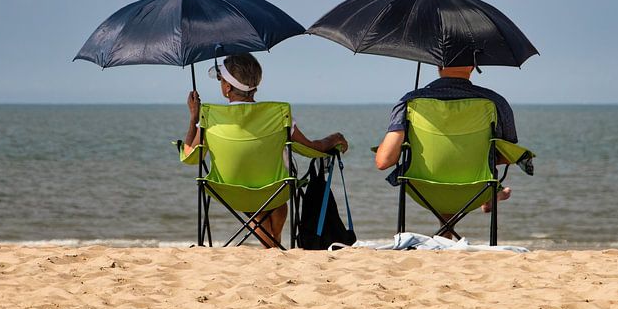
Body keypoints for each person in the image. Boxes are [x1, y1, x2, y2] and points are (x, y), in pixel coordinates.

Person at [183, 53, 348, 248]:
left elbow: (190, 157)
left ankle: (271, 247)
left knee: (255, 202)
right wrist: (334, 138)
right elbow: (310, 148)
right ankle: (273, 246)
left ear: (227, 88)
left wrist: (194, 118)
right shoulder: (277, 115)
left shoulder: (210, 118)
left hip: (227, 192)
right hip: (276, 189)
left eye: (221, 80)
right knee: (274, 196)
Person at [375, 65, 515, 221]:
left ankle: (446, 229)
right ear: (473, 67)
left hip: (422, 189)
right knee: (462, 165)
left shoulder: (410, 102)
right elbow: (508, 156)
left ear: (438, 65)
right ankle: (493, 195)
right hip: (477, 190)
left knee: (443, 168)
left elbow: (384, 161)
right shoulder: (495, 102)